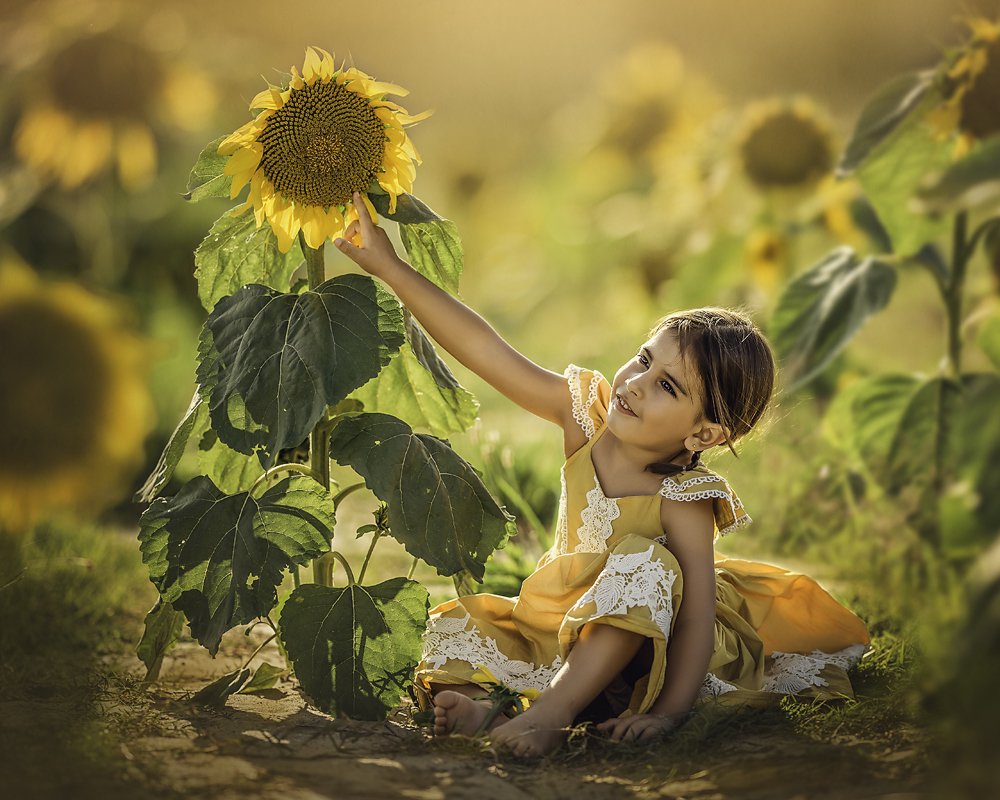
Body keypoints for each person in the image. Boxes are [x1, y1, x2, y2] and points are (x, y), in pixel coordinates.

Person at [334, 192, 871, 757]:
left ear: (704, 435)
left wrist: (668, 714)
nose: (636, 382)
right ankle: (490, 707)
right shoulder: (584, 418)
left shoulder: (684, 496)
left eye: (667, 385)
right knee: (458, 630)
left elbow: (693, 617)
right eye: (644, 359)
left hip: (648, 650)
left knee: (645, 561)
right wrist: (390, 267)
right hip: (560, 627)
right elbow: (485, 350)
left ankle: (553, 713)